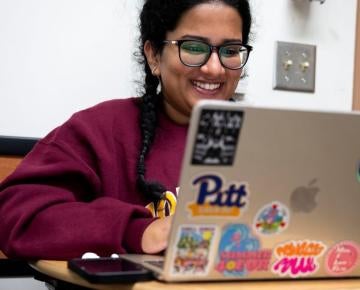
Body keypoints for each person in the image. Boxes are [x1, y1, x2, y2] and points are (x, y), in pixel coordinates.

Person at [0, 0, 252, 259]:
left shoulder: (265, 140)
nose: (215, 67)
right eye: (194, 47)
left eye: (230, 50)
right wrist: (137, 231)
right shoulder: (100, 130)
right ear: (154, 55)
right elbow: (17, 214)